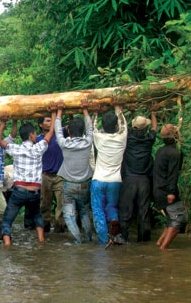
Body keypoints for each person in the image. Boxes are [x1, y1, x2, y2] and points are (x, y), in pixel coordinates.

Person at [0, 107, 55, 246]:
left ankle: (8, 246)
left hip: (19, 191)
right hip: (34, 192)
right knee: (37, 216)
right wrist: (55, 112)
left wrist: (2, 123)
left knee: (7, 220)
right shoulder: (39, 148)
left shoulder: (16, 148)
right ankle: (41, 242)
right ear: (32, 135)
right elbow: (50, 132)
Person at [55, 104, 94, 243]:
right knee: (84, 212)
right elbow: (90, 128)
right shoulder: (88, 142)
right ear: (82, 131)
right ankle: (88, 239)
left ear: (69, 131)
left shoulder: (65, 144)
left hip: (69, 185)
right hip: (84, 185)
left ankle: (78, 241)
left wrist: (59, 112)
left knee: (69, 215)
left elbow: (58, 132)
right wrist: (85, 110)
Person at [91, 104, 128, 246]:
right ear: (116, 127)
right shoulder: (122, 138)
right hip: (115, 181)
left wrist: (95, 113)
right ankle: (114, 225)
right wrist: (119, 109)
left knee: (98, 210)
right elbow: (124, 125)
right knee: (112, 206)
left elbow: (93, 128)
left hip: (99, 179)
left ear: (103, 126)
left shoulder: (99, 137)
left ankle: (104, 240)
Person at [118, 111, 158, 243]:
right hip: (144, 181)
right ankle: (144, 241)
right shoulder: (149, 140)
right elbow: (154, 128)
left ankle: (123, 237)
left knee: (126, 210)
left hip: (129, 179)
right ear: (145, 128)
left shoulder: (127, 139)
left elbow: (122, 126)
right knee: (144, 211)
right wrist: (153, 113)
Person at [155, 123, 186, 250]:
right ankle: (164, 249)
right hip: (166, 190)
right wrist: (171, 192)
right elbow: (173, 174)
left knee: (170, 219)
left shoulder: (160, 151)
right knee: (179, 219)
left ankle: (160, 244)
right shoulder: (174, 153)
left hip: (158, 189)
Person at [37, 114, 64, 233]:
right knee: (44, 204)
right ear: (41, 125)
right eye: (48, 120)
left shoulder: (60, 133)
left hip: (60, 175)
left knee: (61, 203)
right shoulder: (37, 139)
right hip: (45, 175)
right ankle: (45, 226)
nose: (50, 122)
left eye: (51, 120)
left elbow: (73, 129)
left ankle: (60, 227)